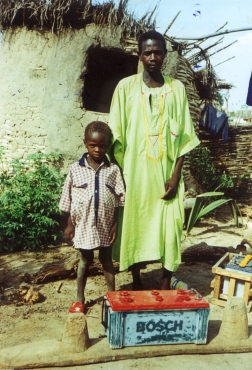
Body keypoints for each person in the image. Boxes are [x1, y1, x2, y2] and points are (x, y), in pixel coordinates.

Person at [109, 30, 200, 290]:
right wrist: (122, 173)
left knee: (170, 226)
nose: (152, 57)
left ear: (164, 55)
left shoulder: (177, 89)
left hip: (166, 175)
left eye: (157, 52)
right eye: (147, 52)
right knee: (136, 222)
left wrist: (176, 175)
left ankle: (164, 280)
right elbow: (116, 132)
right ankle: (136, 280)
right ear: (139, 56)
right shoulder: (126, 88)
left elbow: (184, 136)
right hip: (135, 174)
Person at [59, 121, 125, 313]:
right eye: (93, 145)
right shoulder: (75, 169)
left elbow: (119, 199)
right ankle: (80, 298)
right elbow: (69, 199)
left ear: (108, 145)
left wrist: (115, 225)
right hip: (84, 225)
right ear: (86, 144)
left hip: (105, 224)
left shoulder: (112, 170)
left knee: (106, 260)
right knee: (85, 260)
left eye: (102, 146)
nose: (97, 149)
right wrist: (69, 225)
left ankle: (111, 295)